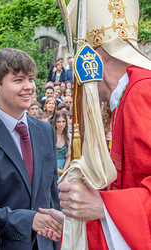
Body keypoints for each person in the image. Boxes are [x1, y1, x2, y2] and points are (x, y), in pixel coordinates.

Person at [55, 0, 151, 249]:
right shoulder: (123, 96)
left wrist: (101, 207)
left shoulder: (143, 91)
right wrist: (79, 221)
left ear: (92, 58)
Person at [0, 48, 61, 250]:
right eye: (18, 80)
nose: (28, 87)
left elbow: (52, 193)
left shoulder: (45, 130)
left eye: (31, 79)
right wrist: (29, 221)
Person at [52, 111, 71, 177]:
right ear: (55, 122)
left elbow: (69, 156)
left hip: (64, 165)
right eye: (58, 122)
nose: (61, 124)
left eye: (63, 121)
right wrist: (55, 168)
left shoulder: (69, 136)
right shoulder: (50, 135)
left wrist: (64, 170)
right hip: (52, 165)